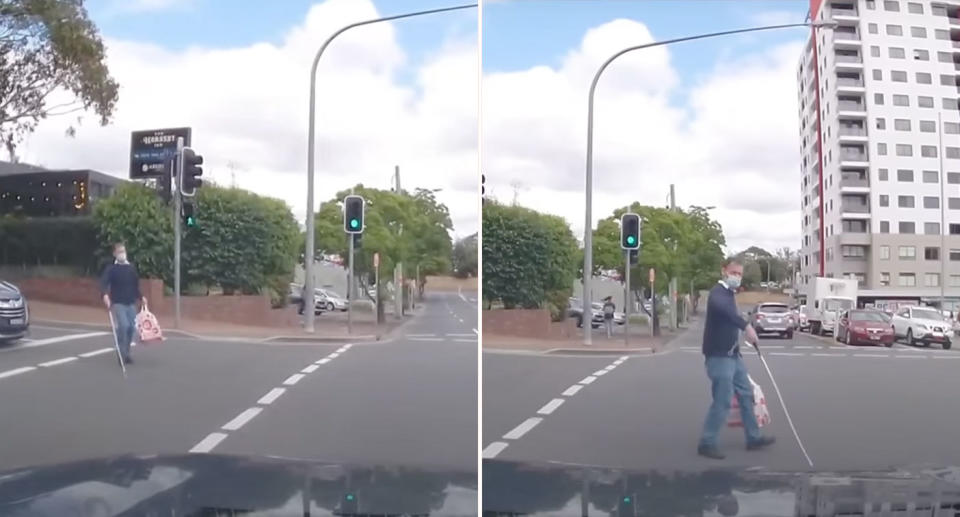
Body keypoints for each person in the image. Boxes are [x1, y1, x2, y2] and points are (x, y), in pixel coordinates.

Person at [697, 258, 775, 459]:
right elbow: (726, 312)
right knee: (722, 400)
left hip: (733, 355)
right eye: (734, 273)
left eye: (740, 274)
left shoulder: (730, 295)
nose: (737, 277)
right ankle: (707, 442)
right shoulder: (718, 294)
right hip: (719, 356)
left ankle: (753, 437)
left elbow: (731, 319)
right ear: (724, 271)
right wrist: (746, 326)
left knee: (746, 394)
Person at [100, 243, 146, 365]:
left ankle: (126, 352)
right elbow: (104, 283)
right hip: (118, 302)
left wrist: (141, 297)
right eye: (119, 251)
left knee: (131, 328)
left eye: (123, 251)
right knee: (124, 326)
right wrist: (105, 295)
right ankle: (121, 353)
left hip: (130, 302)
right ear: (114, 254)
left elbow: (135, 285)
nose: (122, 253)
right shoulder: (111, 269)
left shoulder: (131, 268)